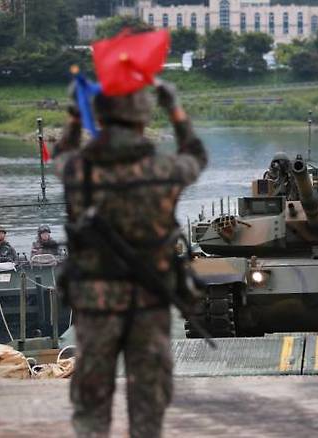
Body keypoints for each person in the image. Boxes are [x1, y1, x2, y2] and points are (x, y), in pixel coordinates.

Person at [54, 81, 207, 438]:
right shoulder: (164, 169)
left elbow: (60, 153)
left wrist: (75, 115)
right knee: (148, 406)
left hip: (95, 304)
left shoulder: (79, 171)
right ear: (142, 118)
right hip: (148, 304)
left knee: (91, 406)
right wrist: (176, 110)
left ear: (100, 118)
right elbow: (197, 155)